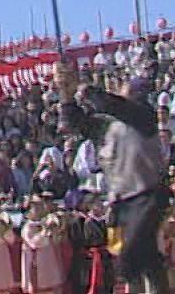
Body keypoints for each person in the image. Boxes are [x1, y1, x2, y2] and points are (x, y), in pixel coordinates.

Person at [65, 75, 166, 294]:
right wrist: (67, 96)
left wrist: (91, 92)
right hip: (121, 200)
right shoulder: (107, 126)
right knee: (142, 257)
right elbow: (78, 123)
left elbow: (119, 107)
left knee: (130, 257)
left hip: (147, 194)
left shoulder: (144, 116)